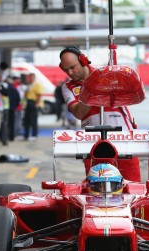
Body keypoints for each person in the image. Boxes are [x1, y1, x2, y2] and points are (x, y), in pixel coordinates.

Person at [59, 46, 140, 181]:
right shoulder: (67, 87)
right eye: (66, 69)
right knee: (96, 188)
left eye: (73, 67)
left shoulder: (107, 74)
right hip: (92, 144)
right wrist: (91, 90)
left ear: (83, 61)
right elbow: (78, 113)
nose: (70, 72)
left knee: (132, 186)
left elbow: (130, 95)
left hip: (124, 138)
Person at [22, 72, 42, 141]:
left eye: (31, 77)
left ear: (34, 78)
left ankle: (34, 135)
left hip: (33, 103)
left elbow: (39, 95)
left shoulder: (37, 85)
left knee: (33, 120)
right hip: (28, 103)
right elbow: (26, 94)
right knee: (26, 120)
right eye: (29, 77)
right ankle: (26, 135)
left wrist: (37, 104)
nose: (29, 79)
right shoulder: (29, 85)